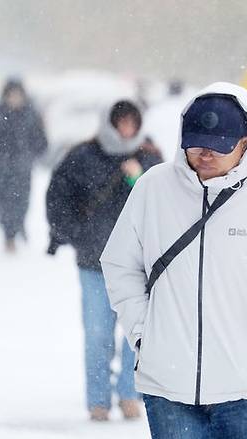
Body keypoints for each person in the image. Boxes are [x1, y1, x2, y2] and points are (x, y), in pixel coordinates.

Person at [100, 82, 247, 438]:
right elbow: (121, 265)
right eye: (196, 143)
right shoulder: (153, 188)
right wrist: (144, 334)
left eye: (220, 146)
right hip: (167, 386)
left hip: (244, 391)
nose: (205, 154)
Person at [46, 100, 163, 421]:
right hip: (93, 262)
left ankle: (129, 394)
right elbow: (58, 197)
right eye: (120, 123)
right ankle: (98, 400)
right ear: (109, 123)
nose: (127, 130)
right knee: (97, 333)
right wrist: (76, 234)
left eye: (132, 123)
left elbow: (166, 204)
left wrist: (137, 179)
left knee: (136, 334)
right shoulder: (82, 156)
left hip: (139, 265)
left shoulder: (150, 157)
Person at [0, 79, 47, 251]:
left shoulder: (30, 114)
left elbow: (41, 140)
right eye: (12, 95)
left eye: (18, 95)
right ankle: (9, 234)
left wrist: (32, 152)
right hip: (1, 168)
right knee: (4, 201)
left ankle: (19, 225)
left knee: (22, 201)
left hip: (23, 167)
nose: (15, 98)